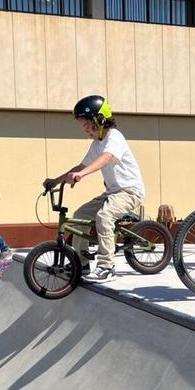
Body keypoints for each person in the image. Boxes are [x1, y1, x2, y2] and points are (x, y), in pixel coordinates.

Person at [43, 95, 145, 284]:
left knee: (104, 217)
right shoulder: (96, 144)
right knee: (80, 215)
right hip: (112, 193)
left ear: (99, 120)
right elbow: (81, 166)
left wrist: (82, 175)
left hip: (129, 192)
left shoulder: (114, 137)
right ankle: (81, 264)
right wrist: (56, 181)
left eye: (86, 125)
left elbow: (105, 158)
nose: (85, 130)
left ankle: (107, 267)